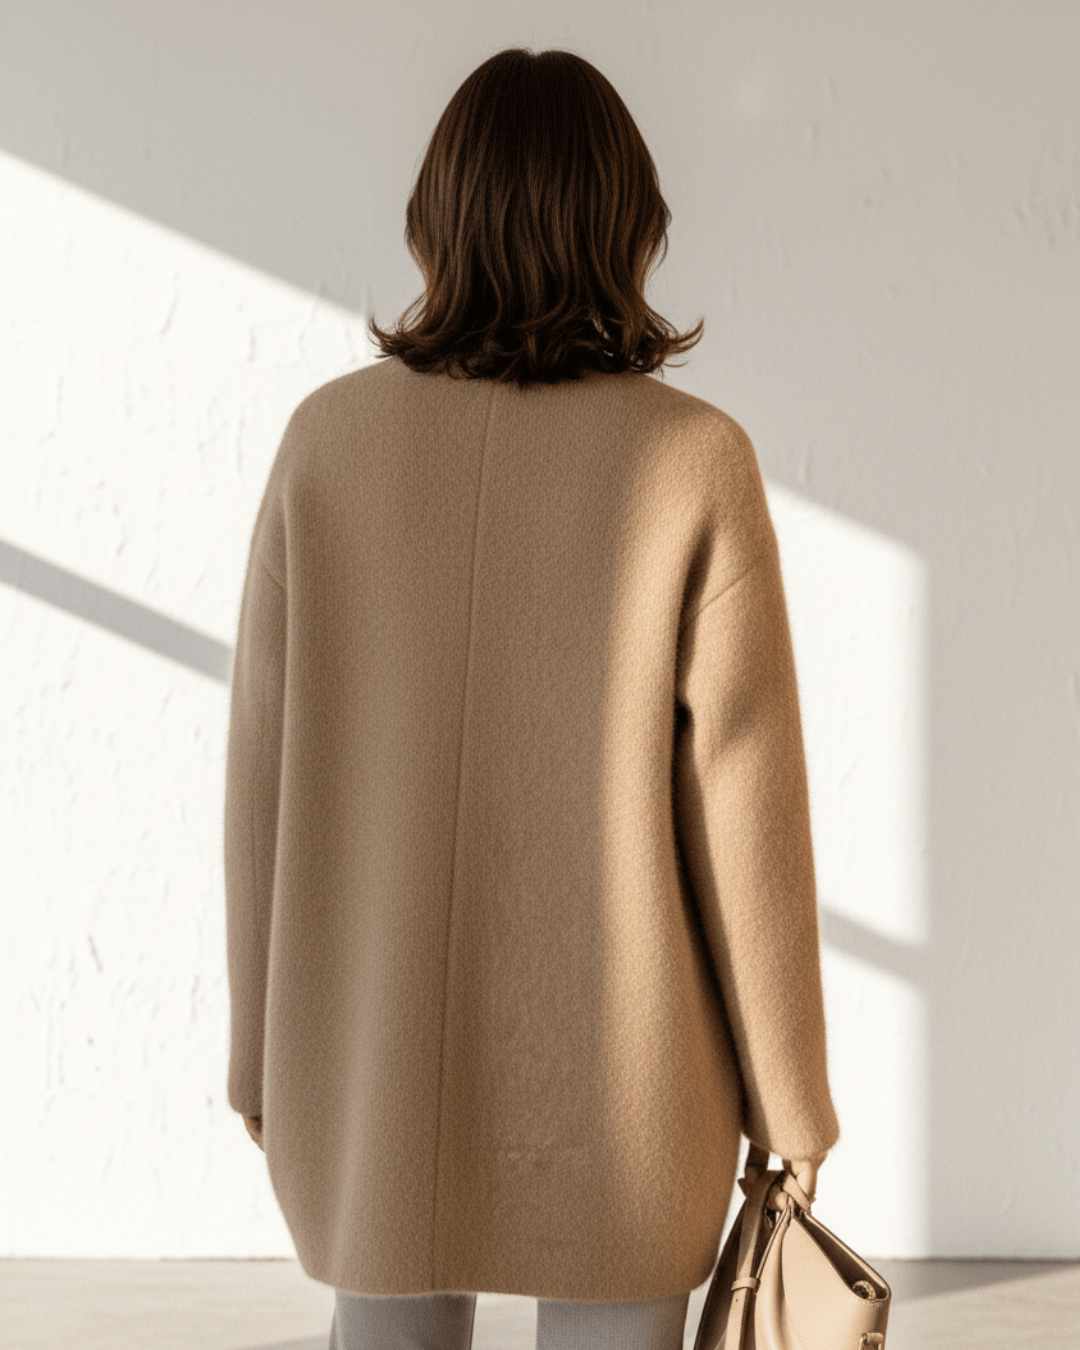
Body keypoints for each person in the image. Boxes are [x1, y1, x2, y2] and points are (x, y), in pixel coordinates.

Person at [224, 45, 839, 1350]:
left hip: (376, 1049)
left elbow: (264, 782)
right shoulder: (693, 459)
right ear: (629, 224)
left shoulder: (327, 444)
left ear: (434, 219)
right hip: (627, 1076)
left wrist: (259, 1049)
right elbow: (745, 807)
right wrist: (791, 1101)